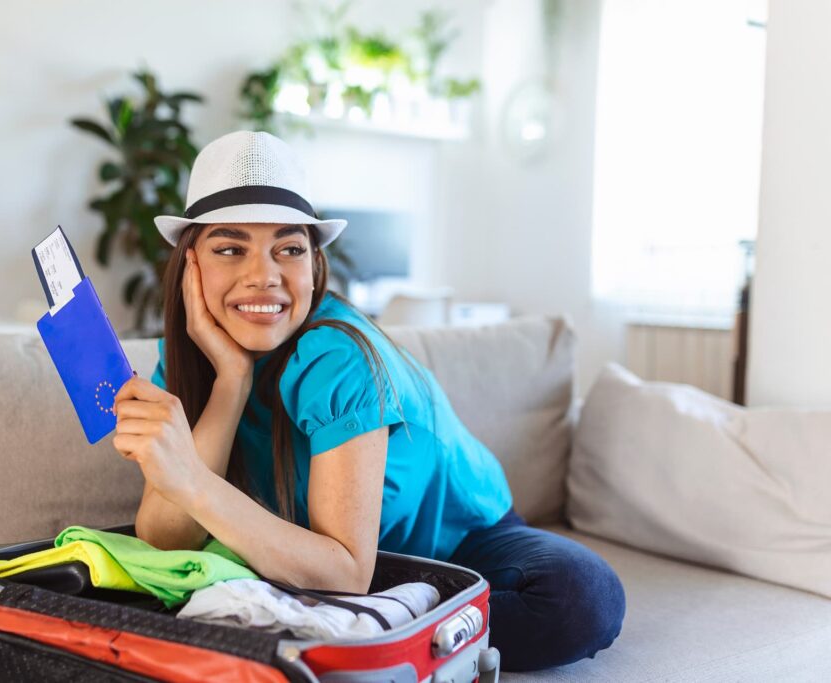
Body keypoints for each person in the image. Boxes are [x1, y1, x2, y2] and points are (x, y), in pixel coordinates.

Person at [110, 130, 625, 671]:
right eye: (230, 249)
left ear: (314, 264)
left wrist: (190, 479)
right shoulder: (189, 359)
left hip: (455, 545)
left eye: (288, 248)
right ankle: (371, 636)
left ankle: (368, 638)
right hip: (332, 565)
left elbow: (346, 570)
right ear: (191, 265)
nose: (262, 276)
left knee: (580, 597)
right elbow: (166, 537)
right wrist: (231, 383)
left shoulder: (336, 354)